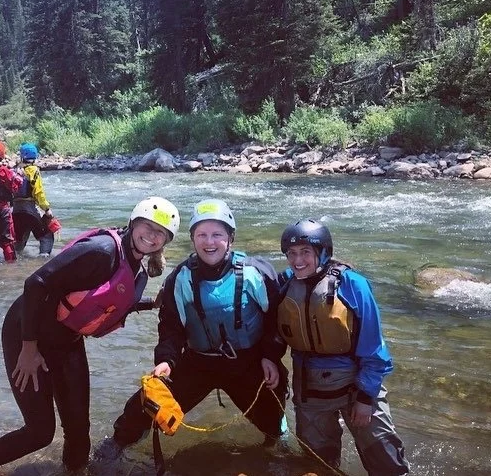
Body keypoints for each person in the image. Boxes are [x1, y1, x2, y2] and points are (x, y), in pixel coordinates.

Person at [0, 197, 180, 475]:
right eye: (148, 226)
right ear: (134, 223)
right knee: (39, 433)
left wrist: (151, 303)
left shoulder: (135, 265)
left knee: (79, 430)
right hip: (26, 331)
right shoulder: (102, 250)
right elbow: (35, 284)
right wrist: (29, 349)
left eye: (161, 233)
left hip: (67, 341)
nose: (152, 236)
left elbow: (101, 301)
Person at [107, 199, 288, 456]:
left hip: (249, 363)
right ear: (193, 239)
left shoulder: (255, 272)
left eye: (217, 234)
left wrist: (271, 356)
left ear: (231, 239)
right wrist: (166, 360)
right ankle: (113, 448)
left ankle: (279, 453)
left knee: (274, 423)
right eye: (201, 235)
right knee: (144, 406)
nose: (209, 242)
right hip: (198, 363)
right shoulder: (180, 278)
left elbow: (277, 319)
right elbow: (171, 326)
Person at [277, 218, 409, 475]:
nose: (297, 261)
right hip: (310, 388)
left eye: (306, 252)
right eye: (291, 254)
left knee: (386, 462)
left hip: (356, 384)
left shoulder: (353, 285)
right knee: (318, 465)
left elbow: (375, 349)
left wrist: (365, 398)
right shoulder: (284, 284)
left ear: (324, 252)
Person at [12, 142, 56, 257]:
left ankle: (14, 263)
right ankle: (43, 260)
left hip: (16, 211)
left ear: (22, 156)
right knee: (46, 235)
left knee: (19, 239)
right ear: (35, 157)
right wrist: (46, 209)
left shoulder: (14, 171)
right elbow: (38, 192)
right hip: (30, 210)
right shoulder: (34, 171)